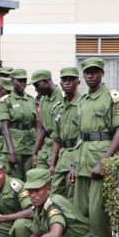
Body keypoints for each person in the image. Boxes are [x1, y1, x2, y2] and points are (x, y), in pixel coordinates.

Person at [69, 57, 119, 236]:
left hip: (100, 159)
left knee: (98, 213)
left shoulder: (112, 97)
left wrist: (103, 162)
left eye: (94, 72)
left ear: (102, 74)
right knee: (79, 211)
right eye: (87, 72)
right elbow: (80, 135)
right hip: (82, 159)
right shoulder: (83, 100)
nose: (90, 76)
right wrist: (73, 165)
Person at [25, 169, 90, 237]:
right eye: (30, 191)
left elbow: (56, 234)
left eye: (37, 190)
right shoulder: (39, 207)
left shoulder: (53, 204)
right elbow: (35, 234)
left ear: (48, 190)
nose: (32, 195)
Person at [49, 67, 81, 199]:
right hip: (63, 156)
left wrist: (75, 164)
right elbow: (56, 138)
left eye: (71, 80)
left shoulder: (82, 104)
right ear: (60, 83)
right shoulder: (58, 107)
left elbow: (84, 136)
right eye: (64, 80)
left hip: (77, 155)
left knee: (72, 195)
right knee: (55, 193)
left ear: (78, 83)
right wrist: (52, 163)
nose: (67, 83)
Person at [0, 69, 36, 180]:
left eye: (24, 81)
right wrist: (11, 151)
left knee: (31, 178)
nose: (23, 83)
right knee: (15, 180)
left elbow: (36, 123)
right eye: (19, 81)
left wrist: (36, 150)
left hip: (30, 145)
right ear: (12, 82)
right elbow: (4, 127)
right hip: (14, 146)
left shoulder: (31, 100)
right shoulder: (6, 101)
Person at [29, 69, 64, 169]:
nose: (36, 89)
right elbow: (43, 127)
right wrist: (35, 152)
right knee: (39, 177)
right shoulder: (43, 99)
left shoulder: (62, 97)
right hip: (47, 145)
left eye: (37, 85)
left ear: (46, 82)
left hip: (59, 146)